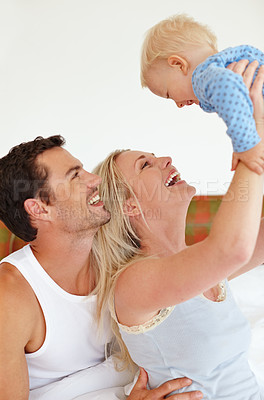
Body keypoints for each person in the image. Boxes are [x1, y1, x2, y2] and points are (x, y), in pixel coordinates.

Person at [91, 62, 264, 399]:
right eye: (146, 165)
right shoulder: (134, 282)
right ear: (128, 206)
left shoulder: (200, 263)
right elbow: (232, 249)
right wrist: (249, 138)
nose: (166, 159)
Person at [0, 137, 201, 400]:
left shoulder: (119, 254)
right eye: (75, 176)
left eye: (83, 169)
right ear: (39, 209)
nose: (94, 179)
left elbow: (198, 276)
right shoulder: (11, 296)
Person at [140, 14, 264, 174]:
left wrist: (246, 146)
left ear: (178, 64)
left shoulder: (201, 75)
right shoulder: (226, 63)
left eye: (169, 94)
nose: (178, 104)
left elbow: (227, 87)